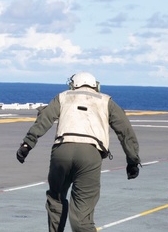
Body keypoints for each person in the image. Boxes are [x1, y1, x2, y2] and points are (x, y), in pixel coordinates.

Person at [15, 72, 140, 232]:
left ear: (73, 85)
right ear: (96, 86)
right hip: (90, 154)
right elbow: (125, 132)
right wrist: (132, 161)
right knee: (81, 216)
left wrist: (27, 145)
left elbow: (44, 120)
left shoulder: (63, 97)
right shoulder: (106, 101)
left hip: (62, 151)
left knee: (56, 200)